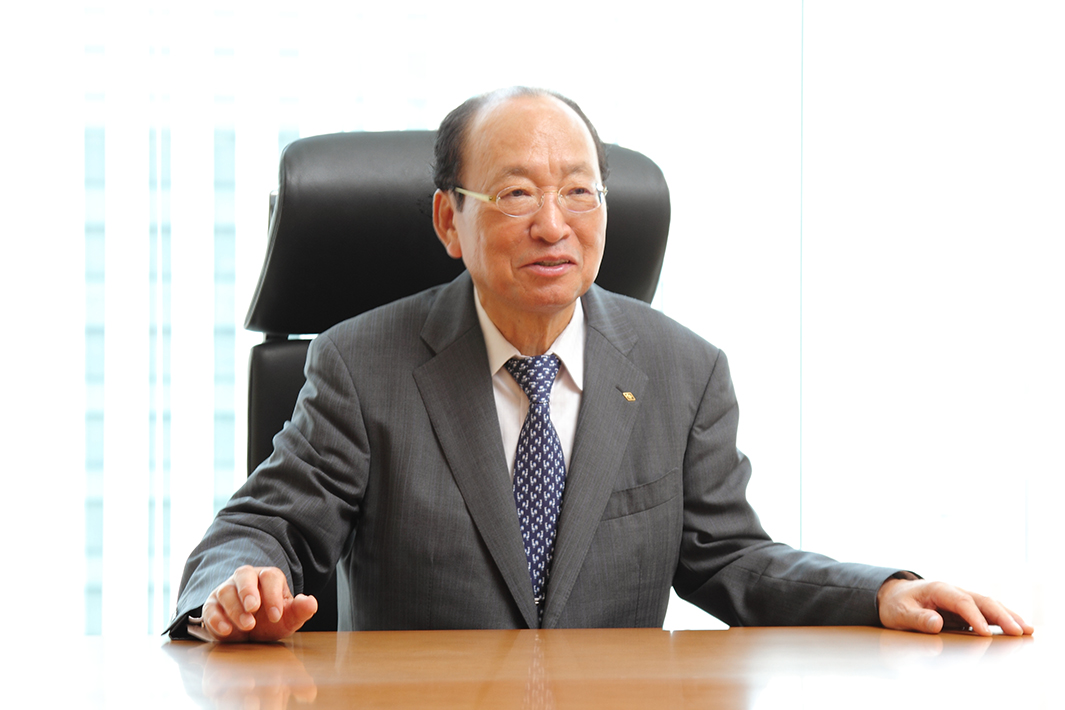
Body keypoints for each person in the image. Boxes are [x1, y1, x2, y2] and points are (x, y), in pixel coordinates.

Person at [169, 87, 1033, 642]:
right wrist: (236, 587)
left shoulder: (682, 370)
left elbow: (731, 560)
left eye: (578, 191)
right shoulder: (363, 365)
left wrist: (879, 593)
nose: (553, 224)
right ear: (447, 222)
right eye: (515, 193)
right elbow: (264, 526)